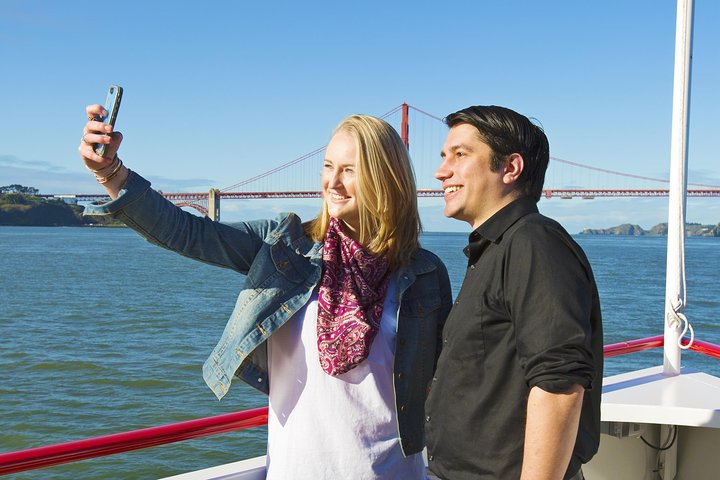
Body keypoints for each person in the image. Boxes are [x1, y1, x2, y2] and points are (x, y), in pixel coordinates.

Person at [78, 104, 452, 479]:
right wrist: (111, 173)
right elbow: (187, 233)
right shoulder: (285, 246)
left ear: (386, 179)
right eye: (327, 166)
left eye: (350, 170)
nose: (332, 182)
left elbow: (446, 385)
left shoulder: (425, 273)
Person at [424, 105, 603, 480]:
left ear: (510, 168)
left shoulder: (534, 243)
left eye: (460, 154)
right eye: (444, 157)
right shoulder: (498, 248)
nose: (442, 172)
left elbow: (559, 382)